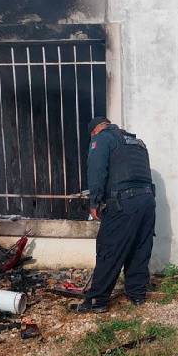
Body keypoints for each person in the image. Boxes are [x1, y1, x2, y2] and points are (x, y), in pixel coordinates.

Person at [74, 116, 156, 313]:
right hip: (147, 201)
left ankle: (97, 301)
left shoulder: (101, 139)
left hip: (123, 203)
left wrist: (95, 202)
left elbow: (97, 171)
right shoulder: (137, 142)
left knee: (109, 249)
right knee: (139, 248)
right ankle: (136, 294)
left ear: (94, 131)